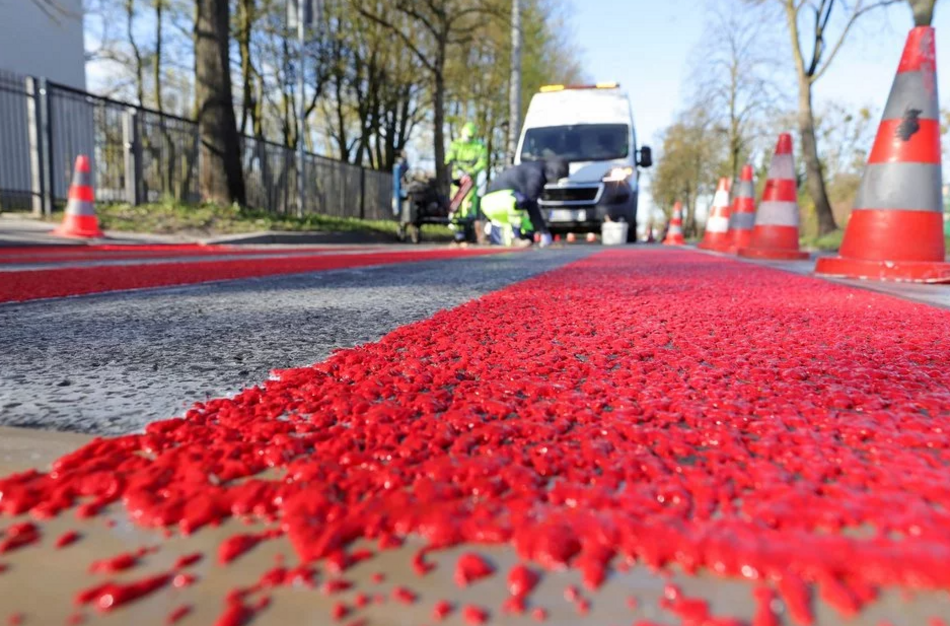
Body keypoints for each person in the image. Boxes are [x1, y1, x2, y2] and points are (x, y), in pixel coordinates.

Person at [480, 157, 569, 247]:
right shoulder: (536, 174)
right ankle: (515, 237)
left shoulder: (535, 168)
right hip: (497, 200)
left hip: (491, 203)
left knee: (523, 209)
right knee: (521, 201)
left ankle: (515, 238)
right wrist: (544, 231)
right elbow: (532, 204)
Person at [445, 122, 488, 242]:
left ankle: (468, 229)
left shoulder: (479, 146)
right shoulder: (456, 144)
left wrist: (470, 172)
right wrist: (458, 171)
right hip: (456, 180)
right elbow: (449, 158)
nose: (468, 139)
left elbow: (482, 162)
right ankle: (457, 229)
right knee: (456, 201)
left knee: (469, 204)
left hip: (471, 181)